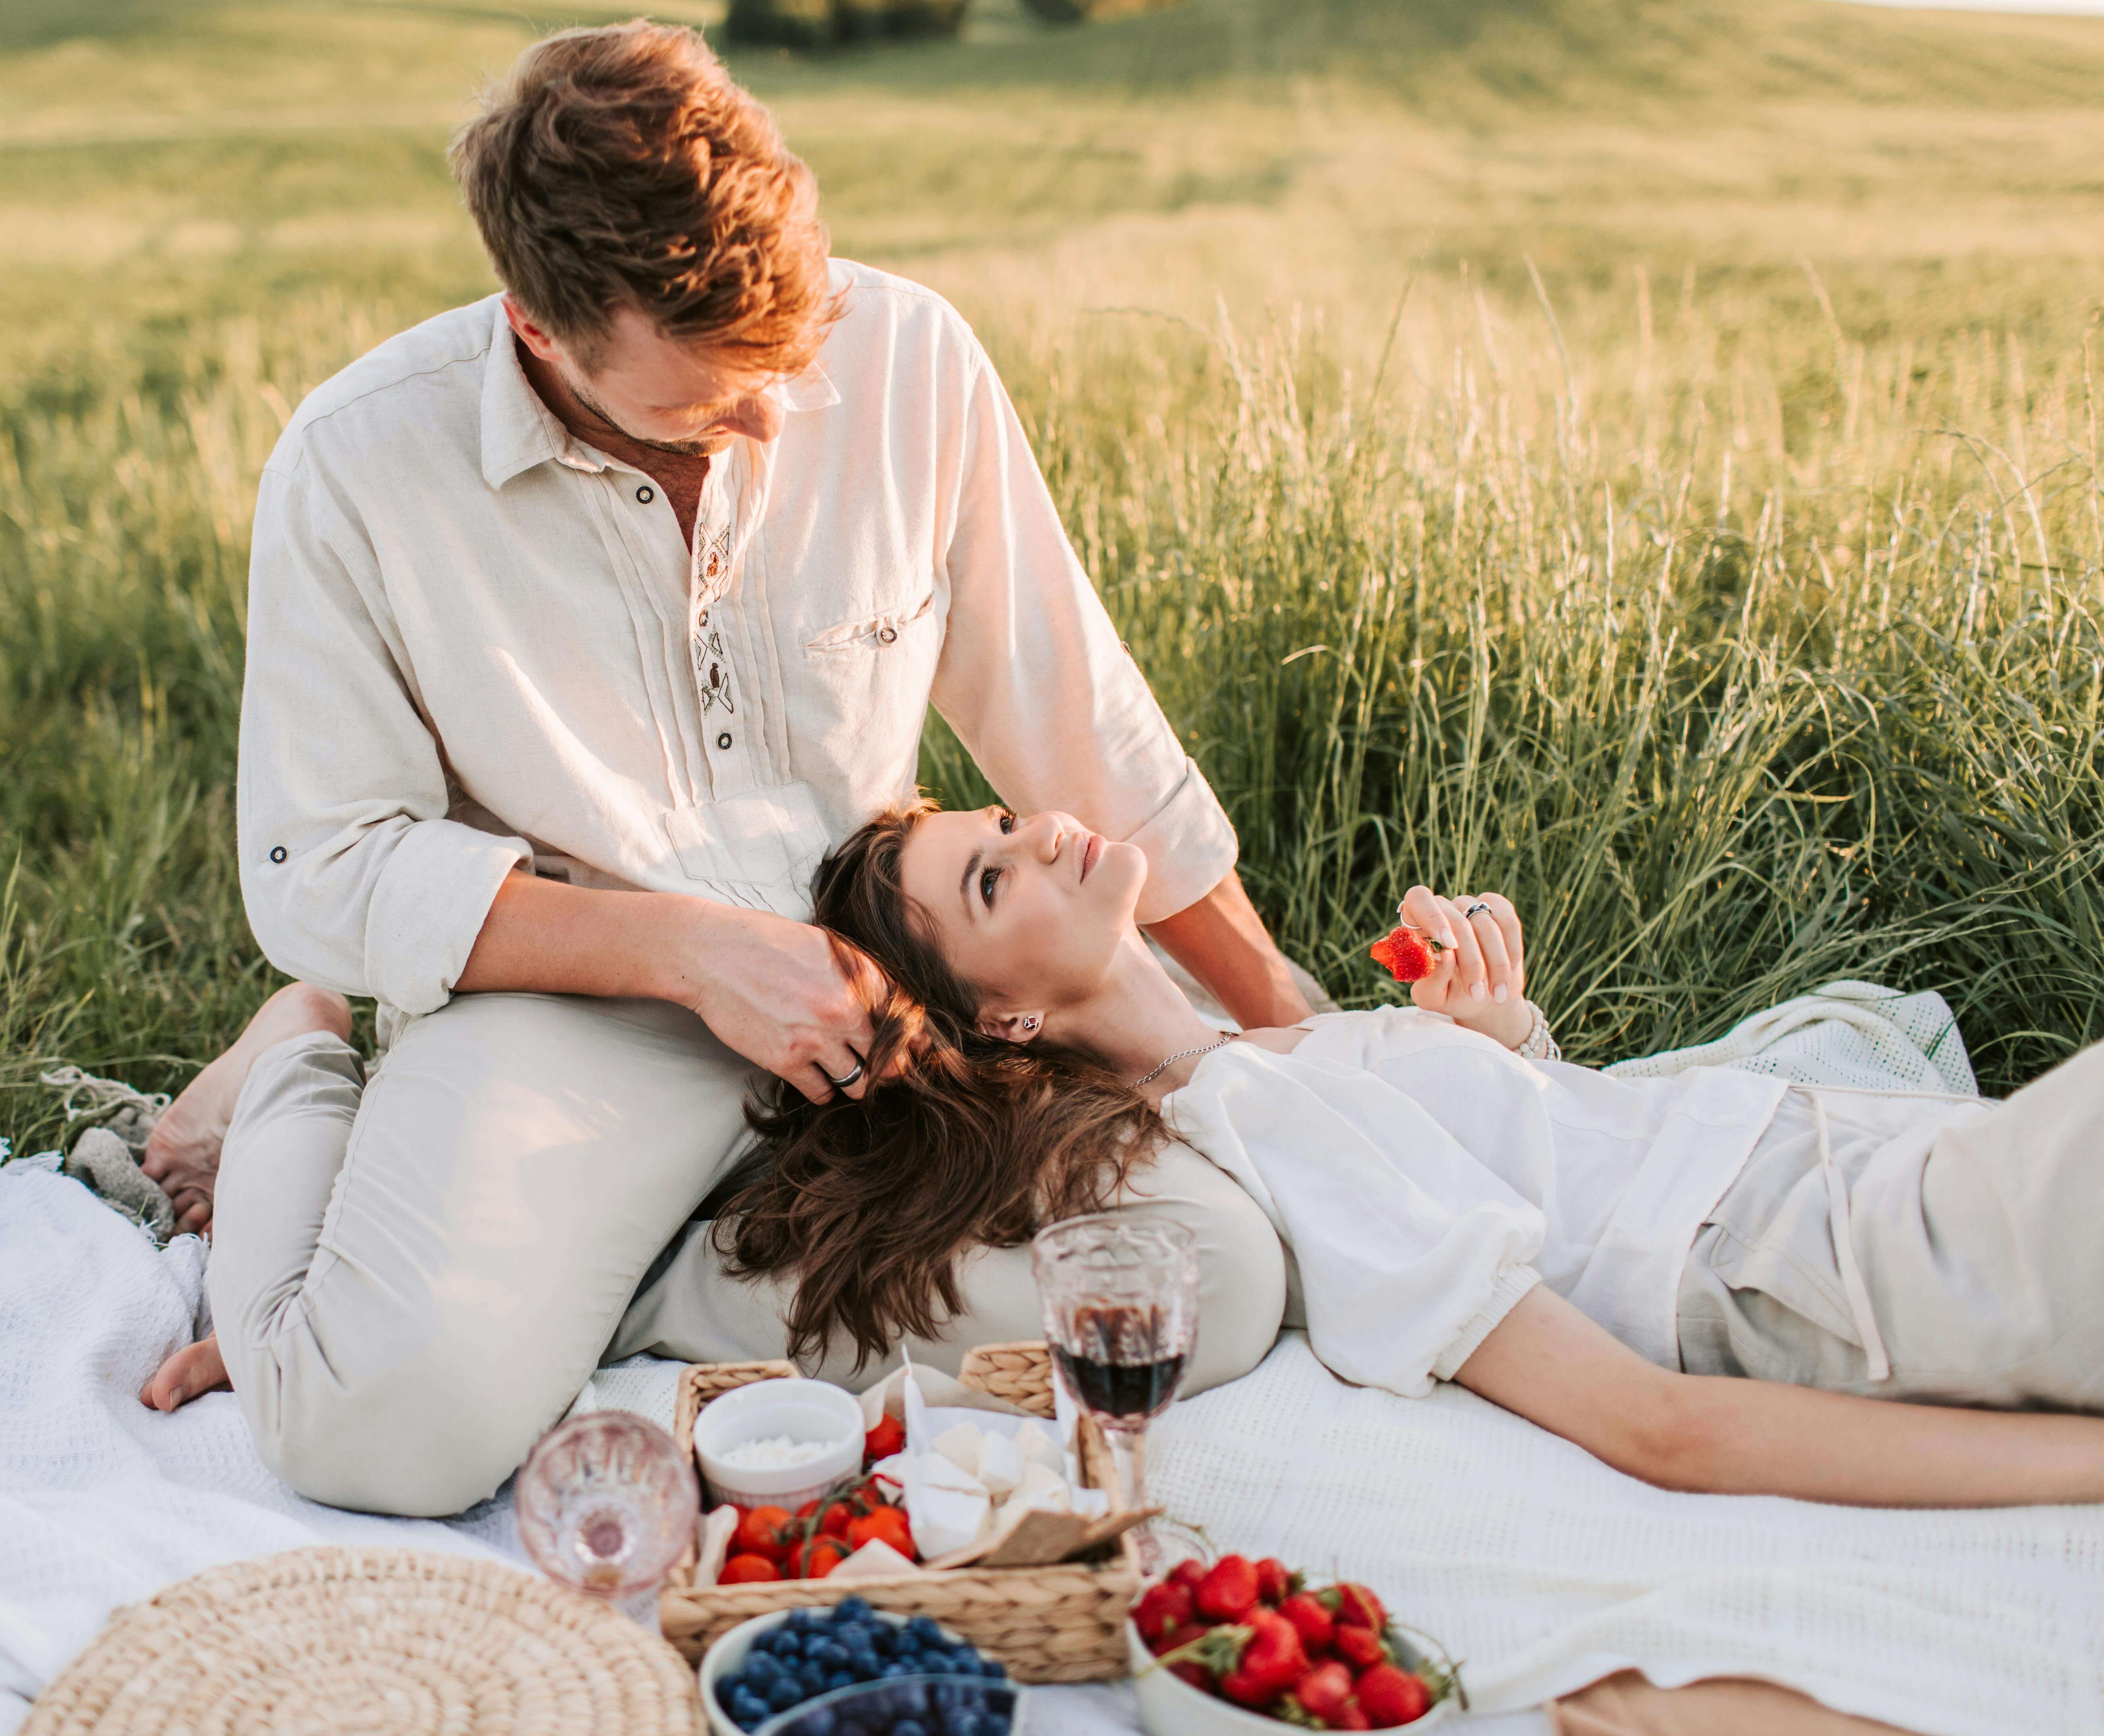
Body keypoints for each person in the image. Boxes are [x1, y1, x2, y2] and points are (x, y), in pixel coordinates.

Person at [131, 23, 1318, 1514]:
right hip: (578, 1004)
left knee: (1206, 1279)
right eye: (706, 401)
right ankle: (300, 1067)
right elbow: (320, 866)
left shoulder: (911, 352)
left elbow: (1072, 719)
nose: (771, 420)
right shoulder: (360, 465)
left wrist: (1291, 1024)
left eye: (790, 358)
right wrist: (691, 955)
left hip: (896, 999)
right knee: (379, 1433)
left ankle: (621, 1278)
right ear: (538, 331)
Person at [652, 798, 2104, 1507]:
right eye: (993, 877)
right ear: (1007, 1019)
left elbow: (1543, 1171)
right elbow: (1656, 1427)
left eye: (1007, 822)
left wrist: (1498, 1043)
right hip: (1851, 1258)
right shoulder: (1241, 1127)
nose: (1045, 834)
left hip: (1876, 1179)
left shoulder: (1269, 1060)